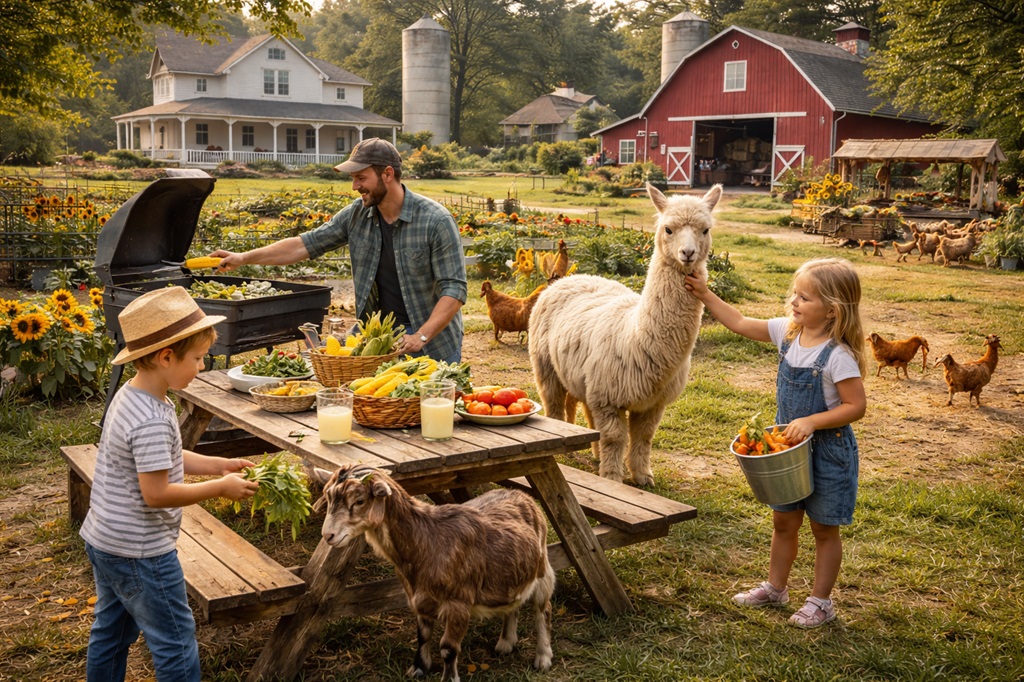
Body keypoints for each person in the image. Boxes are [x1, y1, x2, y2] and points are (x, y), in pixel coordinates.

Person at [80, 287, 259, 681]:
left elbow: (162, 459)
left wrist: (217, 465)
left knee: (111, 632)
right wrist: (220, 489)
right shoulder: (151, 419)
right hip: (142, 552)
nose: (201, 367)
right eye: (196, 359)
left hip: (106, 539)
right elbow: (157, 493)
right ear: (165, 357)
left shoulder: (134, 397)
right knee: (175, 640)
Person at [684, 257, 867, 628]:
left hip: (828, 453)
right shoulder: (788, 332)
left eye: (804, 298)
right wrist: (705, 293)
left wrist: (812, 421)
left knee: (824, 528)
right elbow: (738, 322)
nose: (794, 303)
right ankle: (776, 587)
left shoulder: (839, 356)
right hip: (787, 451)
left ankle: (820, 601)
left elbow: (856, 407)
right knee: (784, 522)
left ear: (832, 311)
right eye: (795, 295)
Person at [210, 137, 468, 363]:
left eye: (361, 178)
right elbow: (303, 245)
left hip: (430, 340)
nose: (355, 186)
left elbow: (454, 290)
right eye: (353, 179)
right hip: (376, 334)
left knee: (430, 413)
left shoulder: (436, 221)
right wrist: (243, 257)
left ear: (387, 174)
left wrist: (421, 335)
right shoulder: (357, 214)